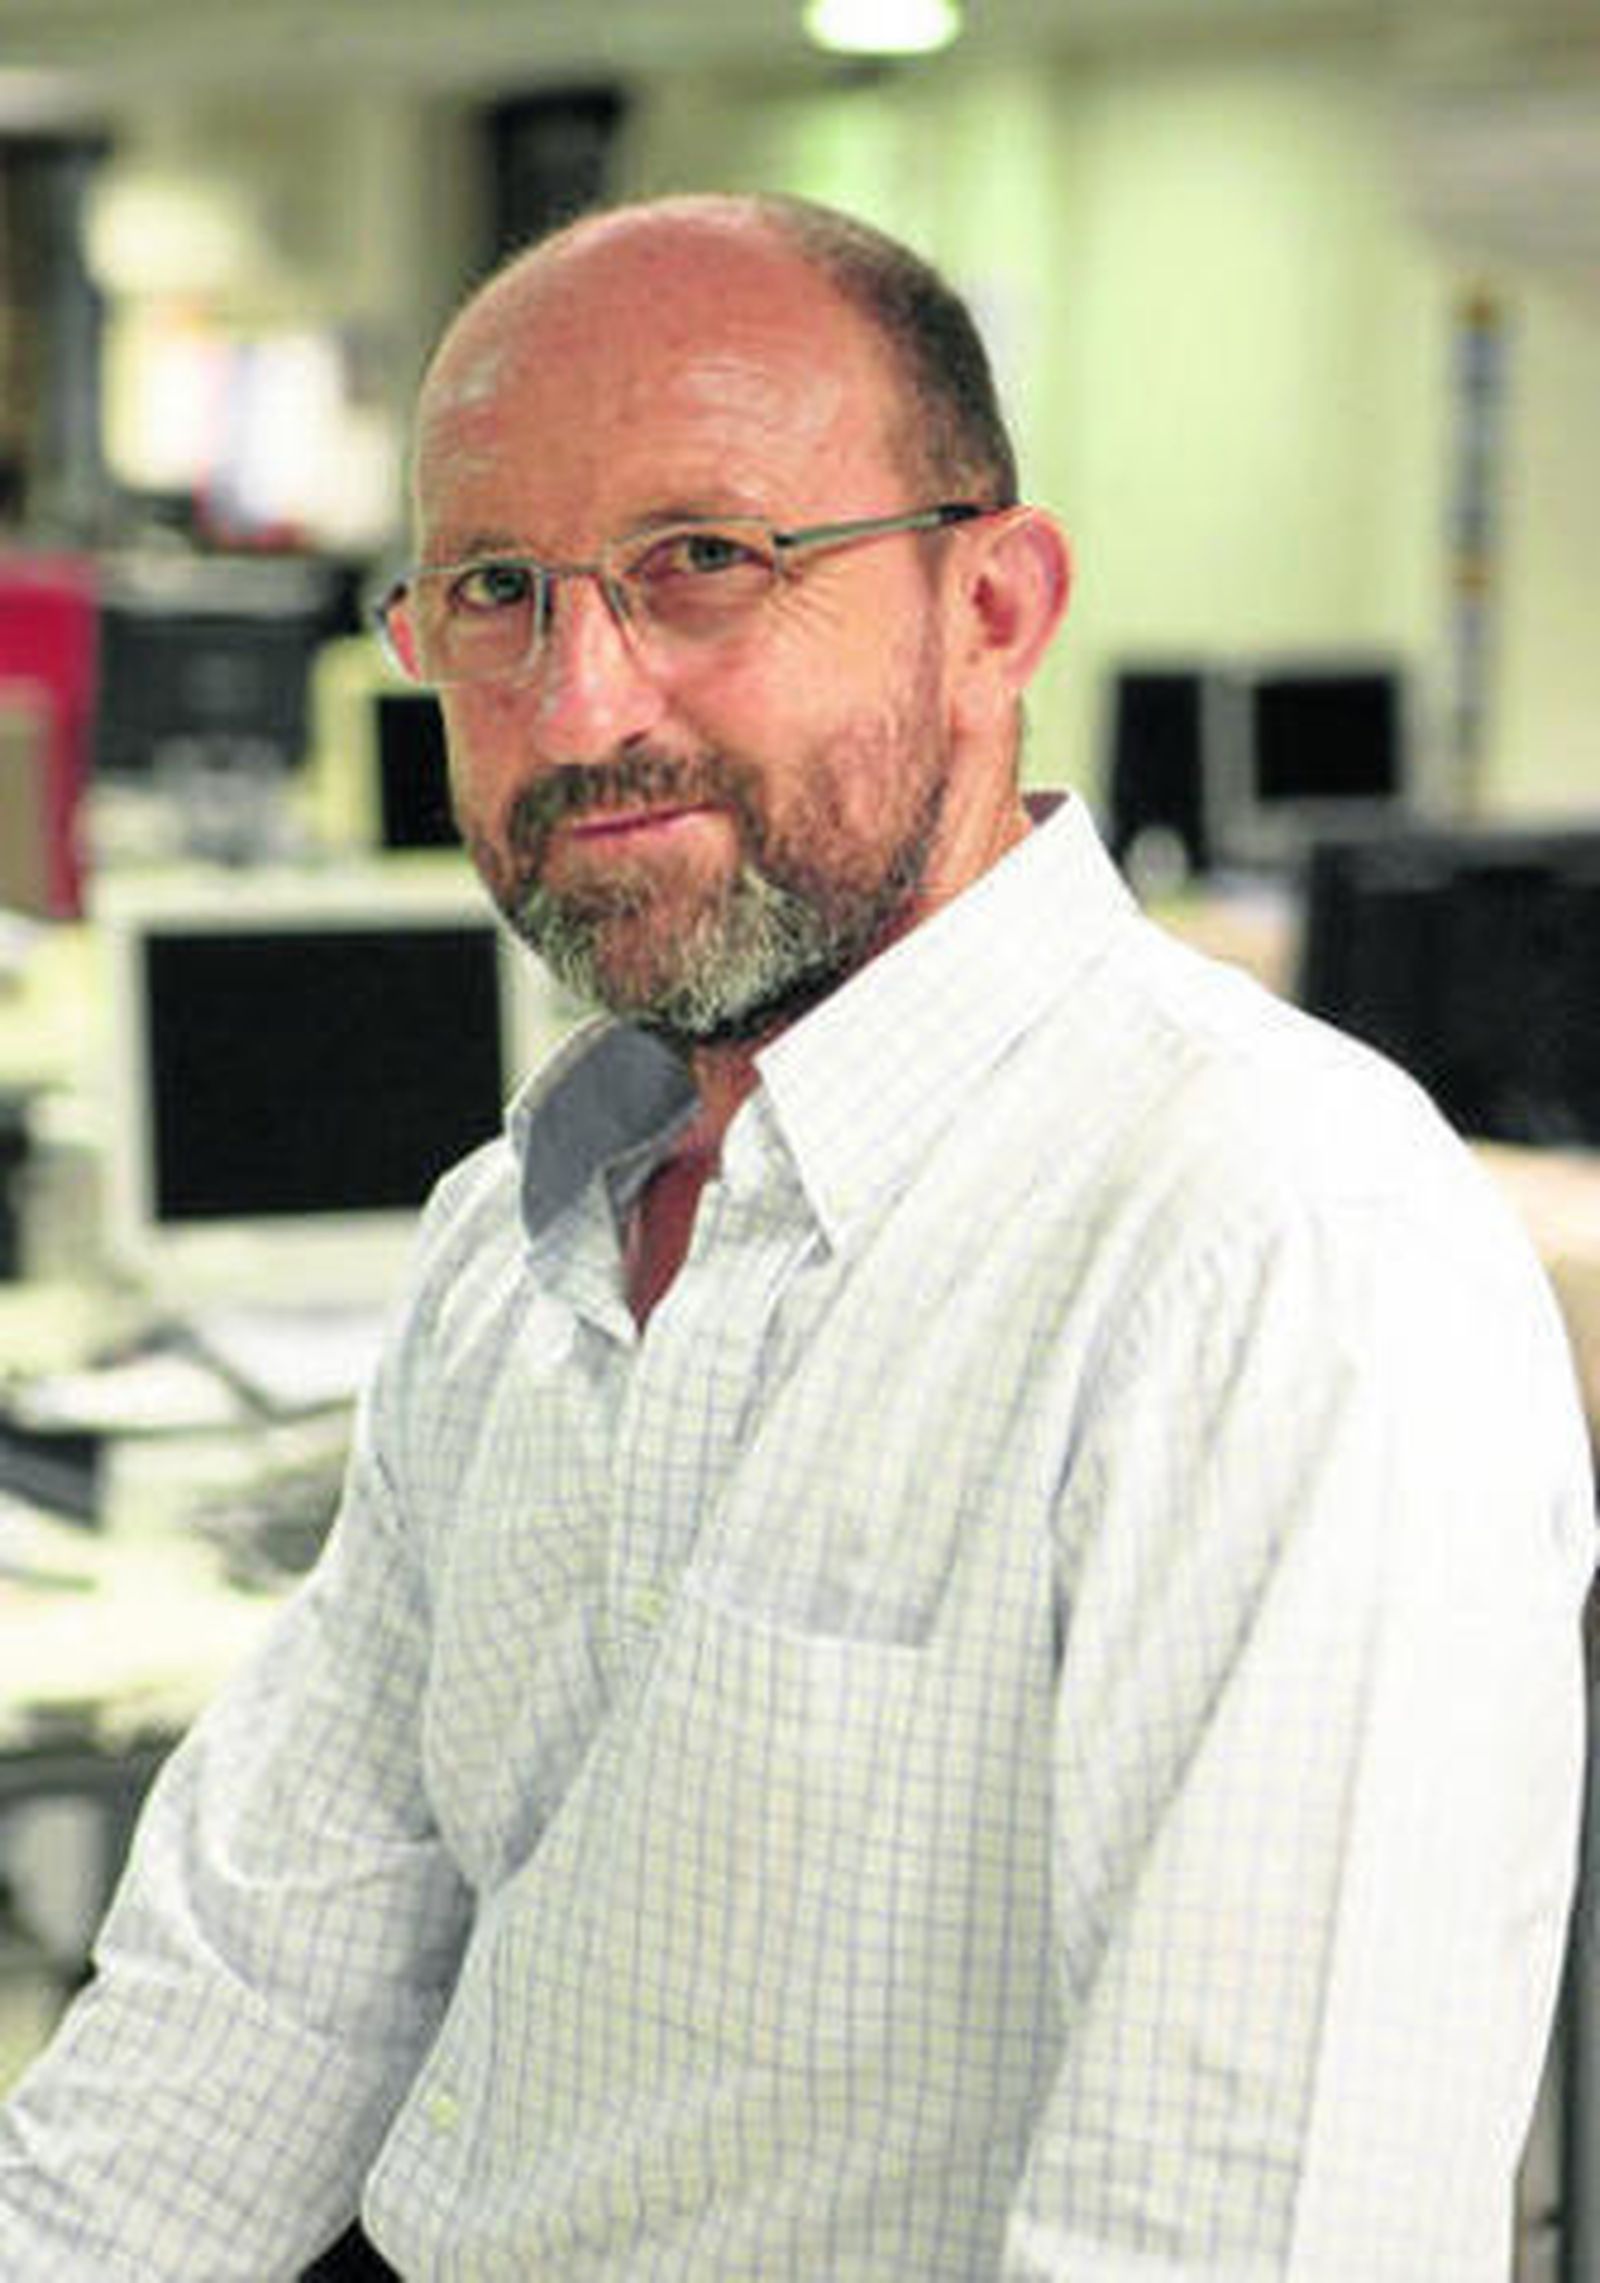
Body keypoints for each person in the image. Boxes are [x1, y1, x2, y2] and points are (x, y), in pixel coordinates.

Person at [0, 190, 1593, 2282]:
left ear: (994, 606)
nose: (576, 706)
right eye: (494, 586)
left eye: (702, 563)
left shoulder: (1268, 1253)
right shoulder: (517, 1237)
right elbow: (255, 1990)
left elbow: (1236, 2233)